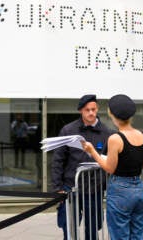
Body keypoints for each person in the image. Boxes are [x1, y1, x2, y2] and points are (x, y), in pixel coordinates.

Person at [81, 94, 143, 240]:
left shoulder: (115, 138)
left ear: (111, 114)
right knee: (138, 234)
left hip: (120, 191)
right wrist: (133, 164)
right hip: (139, 190)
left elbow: (109, 168)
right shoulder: (142, 135)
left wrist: (92, 152)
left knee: (119, 236)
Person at [51, 94, 112, 240]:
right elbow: (58, 160)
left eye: (93, 109)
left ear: (97, 109)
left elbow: (111, 161)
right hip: (71, 188)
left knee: (93, 229)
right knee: (69, 228)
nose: (91, 113)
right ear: (81, 111)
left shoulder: (107, 133)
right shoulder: (68, 130)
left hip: (94, 189)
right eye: (87, 110)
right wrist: (57, 187)